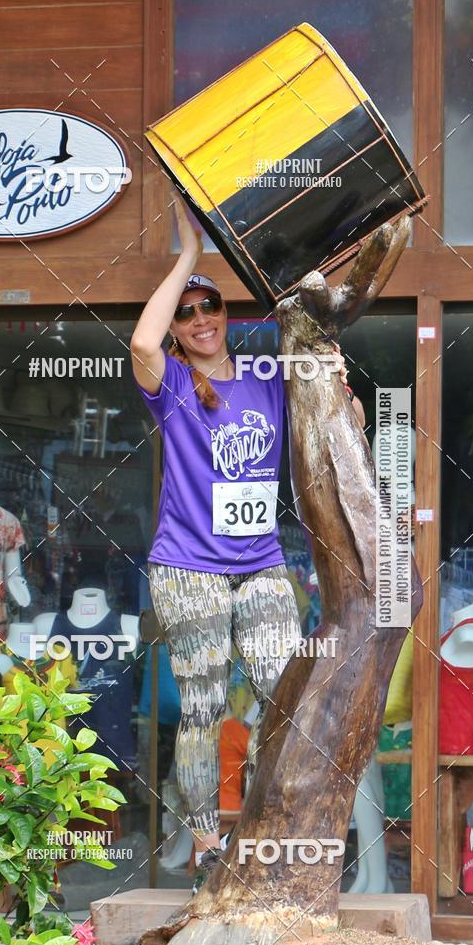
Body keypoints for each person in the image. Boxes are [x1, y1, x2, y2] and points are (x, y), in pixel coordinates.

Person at [130, 195, 354, 892]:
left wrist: (333, 369)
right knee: (200, 702)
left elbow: (323, 390)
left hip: (258, 562)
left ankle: (269, 826)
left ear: (227, 317)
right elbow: (141, 342)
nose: (199, 319)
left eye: (210, 308)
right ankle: (203, 839)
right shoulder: (170, 382)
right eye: (188, 312)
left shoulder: (262, 379)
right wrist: (190, 258)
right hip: (187, 565)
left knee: (279, 690)